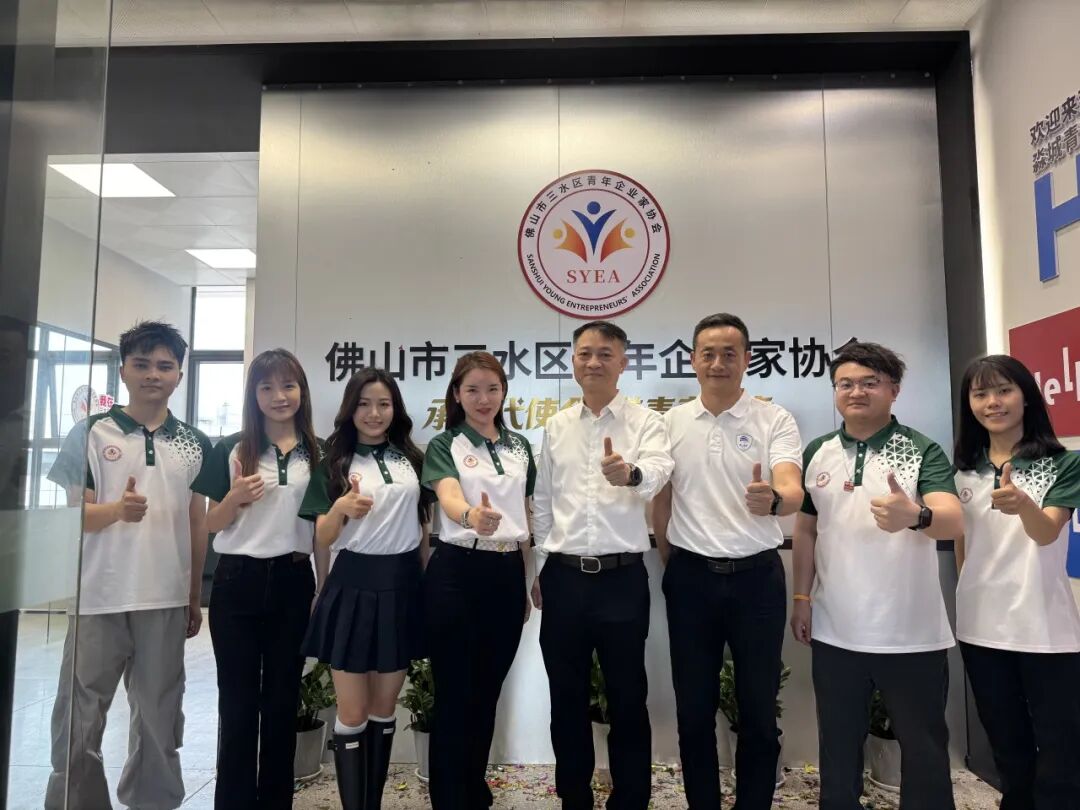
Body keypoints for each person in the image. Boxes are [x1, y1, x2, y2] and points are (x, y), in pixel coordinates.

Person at [44, 321, 212, 810]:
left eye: (164, 366)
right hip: (97, 597)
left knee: (160, 719)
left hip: (164, 597)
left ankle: (153, 802)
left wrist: (194, 596)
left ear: (179, 375)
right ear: (123, 371)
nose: (153, 375)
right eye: (142, 365)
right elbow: (73, 516)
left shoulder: (194, 442)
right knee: (79, 720)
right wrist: (116, 511)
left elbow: (196, 523)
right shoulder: (90, 433)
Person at [790, 340, 963, 810]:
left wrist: (917, 516)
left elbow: (952, 520)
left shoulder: (920, 449)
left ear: (894, 390)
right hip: (836, 629)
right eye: (845, 383)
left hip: (910, 633)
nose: (856, 392)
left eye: (870, 382)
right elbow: (805, 530)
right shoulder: (819, 451)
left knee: (924, 749)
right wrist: (801, 598)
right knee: (837, 747)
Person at [653, 313, 803, 809]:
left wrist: (775, 500)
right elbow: (661, 502)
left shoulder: (773, 419)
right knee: (694, 710)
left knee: (758, 709)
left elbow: (791, 486)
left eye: (729, 354)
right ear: (693, 360)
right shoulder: (670, 423)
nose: (718, 363)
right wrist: (675, 562)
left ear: (747, 359)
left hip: (756, 579)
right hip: (691, 578)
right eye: (708, 354)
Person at [531, 319, 674, 810]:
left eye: (605, 354)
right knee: (566, 698)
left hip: (621, 579)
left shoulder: (646, 422)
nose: (593, 362)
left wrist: (630, 473)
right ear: (572, 361)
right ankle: (574, 798)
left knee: (628, 698)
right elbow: (543, 502)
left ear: (623, 362)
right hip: (564, 577)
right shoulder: (556, 426)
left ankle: (630, 800)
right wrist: (540, 566)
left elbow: (658, 472)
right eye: (585, 353)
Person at [192, 349, 323, 810]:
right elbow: (210, 523)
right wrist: (233, 499)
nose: (278, 396)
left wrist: (322, 589)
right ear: (253, 394)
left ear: (302, 391)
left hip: (293, 579)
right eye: (266, 387)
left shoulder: (318, 452)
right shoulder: (232, 447)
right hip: (237, 582)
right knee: (237, 703)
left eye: (288, 385)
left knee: (283, 701)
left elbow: (322, 530)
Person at [953, 354, 1080, 810]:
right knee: (1008, 749)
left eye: (1004, 390)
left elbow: (1046, 534)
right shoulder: (961, 471)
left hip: (1045, 628)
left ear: (1026, 397)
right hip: (981, 630)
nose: (993, 402)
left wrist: (1024, 504)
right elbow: (964, 547)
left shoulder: (1064, 463)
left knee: (1062, 752)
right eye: (980, 394)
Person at [298, 368, 429, 810]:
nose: (374, 413)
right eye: (364, 404)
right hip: (352, 585)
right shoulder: (334, 461)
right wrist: (340, 507)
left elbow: (423, 528)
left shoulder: (411, 458)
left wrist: (423, 583)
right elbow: (322, 537)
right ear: (350, 410)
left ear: (395, 409)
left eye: (383, 404)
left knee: (384, 708)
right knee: (352, 712)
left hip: (402, 586)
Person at [421, 351, 536, 809]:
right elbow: (448, 494)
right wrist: (470, 515)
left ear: (504, 392)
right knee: (454, 692)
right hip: (457, 571)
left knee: (488, 691)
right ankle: (449, 797)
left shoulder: (519, 446)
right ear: (456, 394)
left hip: (506, 573)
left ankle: (474, 790)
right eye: (472, 390)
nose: (483, 399)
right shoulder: (445, 444)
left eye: (492, 389)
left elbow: (526, 515)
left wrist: (530, 578)